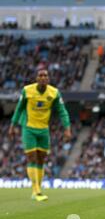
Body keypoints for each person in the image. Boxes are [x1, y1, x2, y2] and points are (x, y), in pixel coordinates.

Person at [8, 69, 71, 201]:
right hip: (29, 128)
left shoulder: (54, 93)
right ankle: (36, 191)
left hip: (43, 130)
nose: (43, 77)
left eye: (45, 76)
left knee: (41, 160)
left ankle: (38, 189)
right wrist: (12, 126)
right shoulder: (27, 90)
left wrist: (67, 128)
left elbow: (62, 111)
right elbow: (19, 108)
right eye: (40, 75)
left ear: (48, 79)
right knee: (32, 158)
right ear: (36, 78)